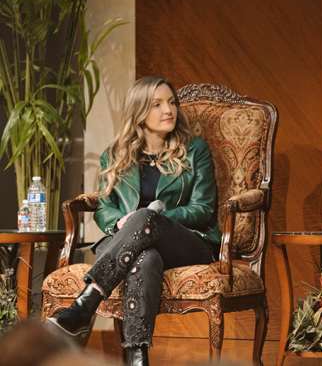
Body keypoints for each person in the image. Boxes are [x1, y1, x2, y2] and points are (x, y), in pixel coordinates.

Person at [45, 77, 221, 366]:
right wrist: (119, 223)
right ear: (139, 113)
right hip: (127, 245)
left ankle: (82, 307)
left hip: (186, 241)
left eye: (172, 102)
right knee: (146, 259)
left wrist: (153, 218)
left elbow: (202, 208)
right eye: (157, 104)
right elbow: (104, 209)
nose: (169, 110)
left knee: (145, 218)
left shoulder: (195, 149)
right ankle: (137, 360)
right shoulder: (114, 156)